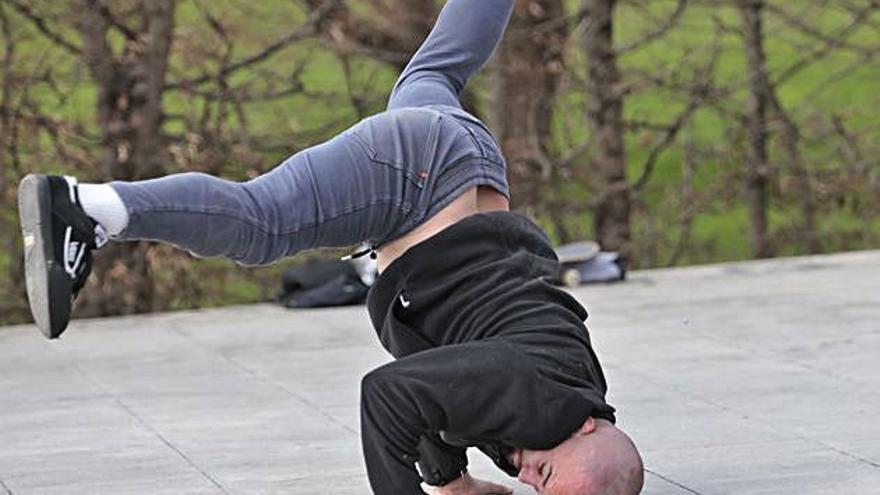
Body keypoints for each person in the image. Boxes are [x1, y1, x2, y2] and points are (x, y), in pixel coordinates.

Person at [17, 0, 644, 493]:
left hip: (463, 166)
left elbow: (445, 384)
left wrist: (450, 481)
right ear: (588, 426)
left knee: (435, 71)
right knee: (261, 225)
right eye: (549, 475)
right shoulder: (538, 398)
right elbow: (392, 393)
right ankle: (88, 210)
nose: (530, 477)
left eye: (538, 487)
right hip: (421, 181)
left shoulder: (563, 394)